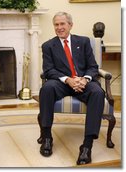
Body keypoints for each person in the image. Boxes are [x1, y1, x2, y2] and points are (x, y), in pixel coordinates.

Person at [39, 12, 105, 165]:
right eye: (56, 24)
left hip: (83, 81)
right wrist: (68, 79)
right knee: (47, 88)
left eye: (62, 24)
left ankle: (87, 146)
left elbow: (93, 67)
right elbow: (49, 70)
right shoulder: (48, 45)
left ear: (70, 25)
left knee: (97, 92)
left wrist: (85, 79)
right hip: (61, 83)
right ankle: (47, 137)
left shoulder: (83, 42)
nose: (59, 28)